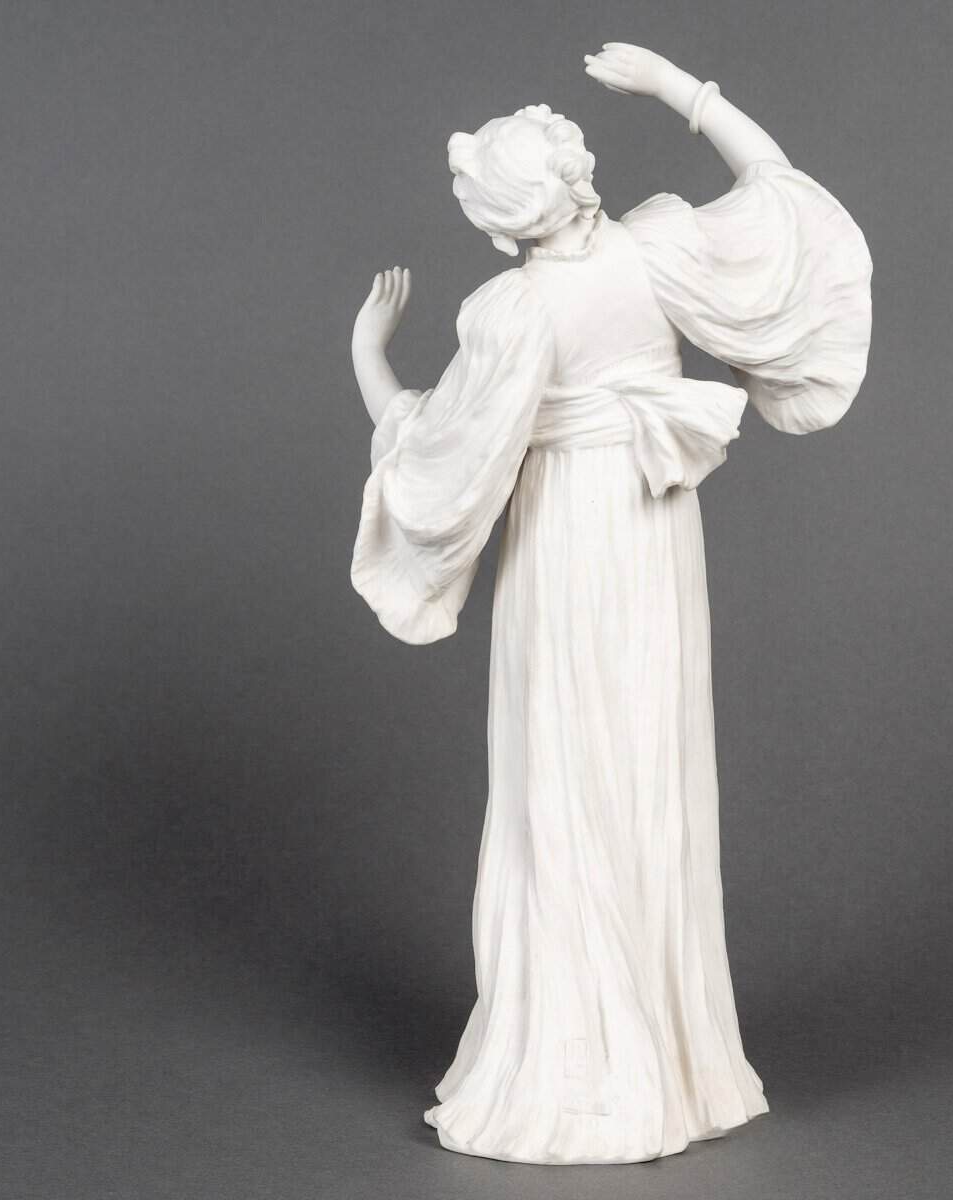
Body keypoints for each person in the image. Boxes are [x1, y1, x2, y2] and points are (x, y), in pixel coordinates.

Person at [349, 42, 872, 1164]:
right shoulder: (653, 252)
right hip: (651, 526)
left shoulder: (511, 311)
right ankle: (671, 1060)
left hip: (569, 542)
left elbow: (438, 464)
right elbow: (779, 200)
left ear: (499, 226)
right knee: (646, 761)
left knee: (565, 768)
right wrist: (682, 90)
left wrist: (367, 360)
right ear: (576, 177)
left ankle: (581, 1062)